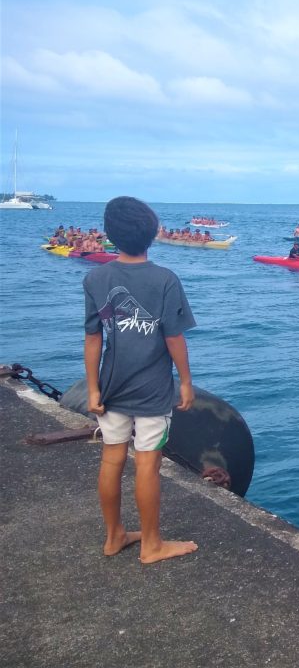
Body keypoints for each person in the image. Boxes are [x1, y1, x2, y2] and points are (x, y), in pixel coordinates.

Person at [83, 196, 198, 564]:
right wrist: (185, 381)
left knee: (112, 458)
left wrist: (93, 388)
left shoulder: (95, 277)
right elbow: (173, 337)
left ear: (109, 236)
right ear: (153, 234)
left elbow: (92, 338)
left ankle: (114, 535)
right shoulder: (165, 280)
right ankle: (151, 544)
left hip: (110, 387)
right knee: (147, 463)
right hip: (151, 391)